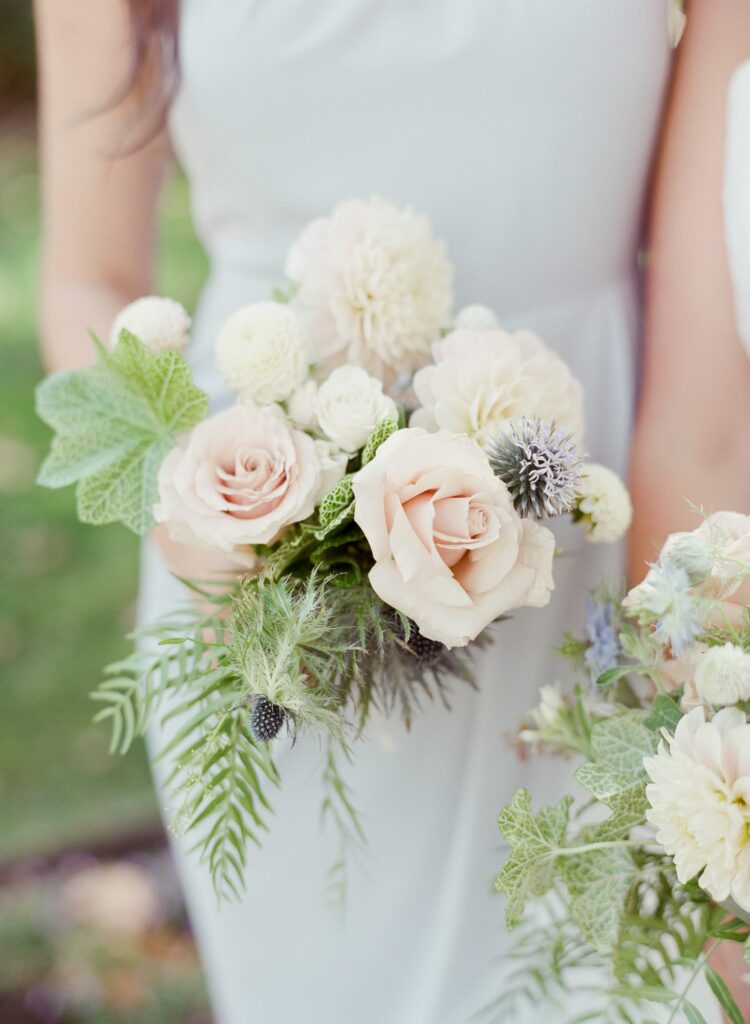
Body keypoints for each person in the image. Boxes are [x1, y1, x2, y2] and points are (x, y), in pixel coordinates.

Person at [34, 2, 750, 1021]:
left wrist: (700, 750)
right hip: (278, 616)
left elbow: (706, 424)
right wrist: (186, 496)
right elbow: (85, 280)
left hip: (595, 590)